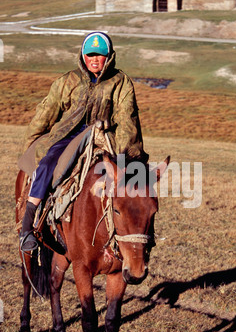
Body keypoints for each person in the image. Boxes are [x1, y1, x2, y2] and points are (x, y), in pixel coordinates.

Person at [19, 31, 147, 252]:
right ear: (83, 56)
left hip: (105, 137)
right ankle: (28, 226)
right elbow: (46, 113)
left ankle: (133, 235)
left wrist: (128, 158)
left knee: (138, 184)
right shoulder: (67, 81)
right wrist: (30, 146)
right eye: (90, 55)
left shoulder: (121, 83)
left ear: (109, 57)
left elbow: (127, 120)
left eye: (100, 55)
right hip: (67, 135)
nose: (95, 59)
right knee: (48, 163)